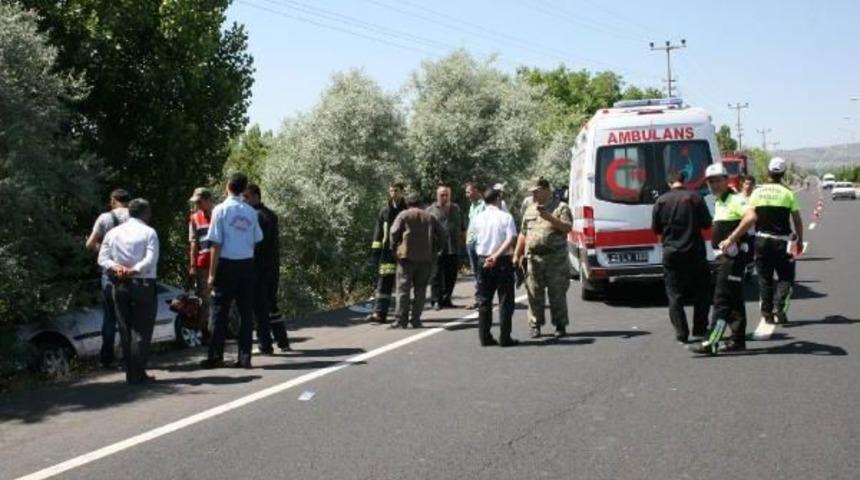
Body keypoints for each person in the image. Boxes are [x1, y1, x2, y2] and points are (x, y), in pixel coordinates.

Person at [720, 157, 803, 325]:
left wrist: (735, 237)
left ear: (768, 172)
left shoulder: (757, 193)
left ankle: (767, 314)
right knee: (786, 277)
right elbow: (797, 220)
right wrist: (800, 240)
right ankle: (779, 307)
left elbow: (749, 216)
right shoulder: (788, 193)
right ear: (783, 173)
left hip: (761, 242)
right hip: (782, 243)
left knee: (765, 279)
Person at [201, 173, 263, 369]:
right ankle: (245, 357)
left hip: (226, 264)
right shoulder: (251, 211)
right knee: (245, 313)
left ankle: (215, 356)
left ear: (228, 186)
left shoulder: (220, 210)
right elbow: (257, 239)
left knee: (219, 311)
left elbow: (215, 243)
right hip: (246, 264)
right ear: (244, 189)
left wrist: (212, 274)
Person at [690, 164, 752, 354]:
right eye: (710, 182)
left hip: (731, 259)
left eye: (717, 180)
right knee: (734, 300)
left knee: (721, 300)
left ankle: (711, 341)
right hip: (723, 258)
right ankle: (737, 340)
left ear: (726, 180)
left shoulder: (735, 199)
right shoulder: (719, 201)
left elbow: (751, 217)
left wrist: (731, 238)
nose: (714, 185)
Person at [97, 199, 159, 384]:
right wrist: (134, 270)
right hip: (143, 283)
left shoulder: (113, 233)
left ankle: (131, 373)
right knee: (142, 330)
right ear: (145, 213)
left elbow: (102, 258)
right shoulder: (149, 232)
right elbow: (151, 258)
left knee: (125, 329)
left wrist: (116, 267)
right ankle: (138, 373)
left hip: (120, 284)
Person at [651, 171, 713, 344]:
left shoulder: (661, 201)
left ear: (669, 182)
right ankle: (700, 328)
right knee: (702, 291)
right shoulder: (695, 198)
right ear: (684, 180)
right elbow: (707, 224)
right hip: (695, 251)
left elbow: (656, 228)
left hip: (671, 253)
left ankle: (681, 332)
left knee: (674, 294)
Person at [513, 176, 573, 339]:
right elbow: (523, 233)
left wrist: (549, 217)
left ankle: (560, 325)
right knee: (534, 293)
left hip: (555, 258)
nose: (534, 195)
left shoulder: (561, 207)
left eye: (537, 191)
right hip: (534, 258)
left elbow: (567, 228)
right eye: (532, 192)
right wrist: (517, 253)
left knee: (557, 293)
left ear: (547, 190)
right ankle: (535, 325)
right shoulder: (530, 209)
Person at [86, 188, 130, 369]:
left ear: (113, 200)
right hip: (131, 272)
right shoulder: (135, 217)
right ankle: (129, 357)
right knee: (128, 317)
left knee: (110, 317)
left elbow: (90, 244)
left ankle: (107, 358)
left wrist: (100, 248)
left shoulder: (104, 218)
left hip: (110, 273)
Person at [243, 184, 290, 353]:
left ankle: (265, 343)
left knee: (260, 307)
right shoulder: (270, 214)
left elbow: (257, 245)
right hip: (272, 267)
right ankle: (282, 341)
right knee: (271, 304)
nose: (244, 200)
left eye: (247, 196)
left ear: (256, 196)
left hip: (260, 268)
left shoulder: (256, 216)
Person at [390, 193, 445, 329]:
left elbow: (393, 232)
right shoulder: (430, 217)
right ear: (420, 203)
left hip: (406, 258)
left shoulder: (404, 215)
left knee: (403, 290)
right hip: (426, 258)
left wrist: (394, 249)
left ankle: (401, 320)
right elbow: (442, 234)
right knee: (420, 290)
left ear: (407, 203)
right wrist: (436, 249)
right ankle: (416, 320)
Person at [471, 188, 518, 347]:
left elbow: (475, 239)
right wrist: (496, 256)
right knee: (505, 300)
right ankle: (505, 337)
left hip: (483, 259)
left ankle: (484, 337)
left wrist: (488, 257)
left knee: (484, 300)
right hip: (502, 260)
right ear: (498, 198)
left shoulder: (478, 218)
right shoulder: (506, 217)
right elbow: (510, 238)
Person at [365, 182, 407, 323]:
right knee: (384, 282)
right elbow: (378, 233)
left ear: (402, 192)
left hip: (403, 252)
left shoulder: (406, 210)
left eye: (396, 190)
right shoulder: (384, 211)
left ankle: (402, 314)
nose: (393, 193)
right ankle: (380, 313)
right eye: (391, 191)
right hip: (387, 253)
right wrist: (375, 253)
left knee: (403, 284)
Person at [426, 184, 465, 310]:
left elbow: (462, 227)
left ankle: (446, 299)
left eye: (447, 195)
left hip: (453, 247)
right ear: (437, 196)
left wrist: (463, 243)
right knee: (436, 276)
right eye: (442, 195)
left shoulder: (456, 209)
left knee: (451, 275)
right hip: (437, 249)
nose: (445, 197)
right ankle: (436, 300)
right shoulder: (430, 210)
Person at [188, 187, 215, 340]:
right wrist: (192, 266)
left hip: (222, 263)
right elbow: (193, 243)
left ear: (208, 200)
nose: (197, 205)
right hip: (203, 264)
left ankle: (225, 330)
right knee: (204, 299)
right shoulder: (194, 218)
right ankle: (205, 332)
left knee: (224, 297)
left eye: (199, 202)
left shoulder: (219, 214)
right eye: (196, 202)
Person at [464, 181, 485, 310]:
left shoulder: (484, 205)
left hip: (479, 243)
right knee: (476, 272)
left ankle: (481, 299)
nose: (467, 195)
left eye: (469, 192)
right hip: (470, 242)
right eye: (466, 192)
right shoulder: (472, 206)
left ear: (476, 190)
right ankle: (479, 298)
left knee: (481, 272)